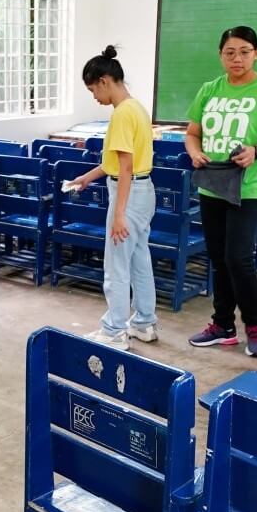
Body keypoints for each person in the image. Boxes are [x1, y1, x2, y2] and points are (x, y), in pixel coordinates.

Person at [185, 25, 257, 357]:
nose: (237, 58)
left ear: (256, 53)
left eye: (245, 51)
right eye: (230, 52)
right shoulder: (209, 89)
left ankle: (255, 326)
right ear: (220, 55)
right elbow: (192, 132)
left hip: (250, 188)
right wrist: (194, 151)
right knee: (218, 258)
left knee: (238, 258)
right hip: (213, 184)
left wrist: (256, 151)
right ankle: (222, 326)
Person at [69, 46, 157, 350]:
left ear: (106, 81)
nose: (94, 96)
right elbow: (115, 164)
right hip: (144, 192)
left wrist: (119, 214)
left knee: (116, 266)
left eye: (93, 89)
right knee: (138, 260)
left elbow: (125, 167)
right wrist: (86, 178)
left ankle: (115, 330)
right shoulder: (137, 108)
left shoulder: (121, 115)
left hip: (128, 194)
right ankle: (144, 323)